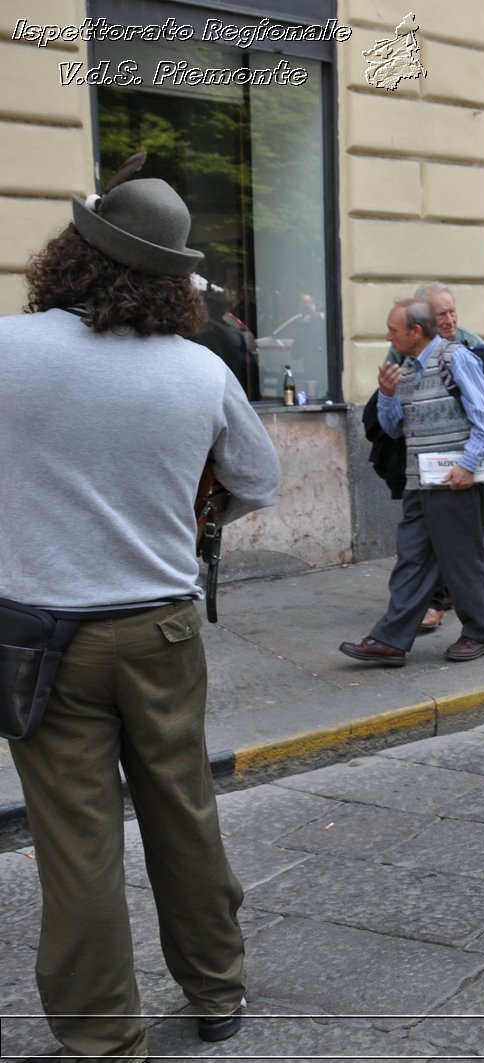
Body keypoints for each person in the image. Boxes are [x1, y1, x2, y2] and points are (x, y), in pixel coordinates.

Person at [1, 174, 280, 1059]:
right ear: (171, 280)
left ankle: (104, 1035)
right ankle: (216, 989)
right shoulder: (198, 369)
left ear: (71, 255)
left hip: (39, 632)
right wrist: (193, 523)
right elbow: (258, 481)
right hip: (160, 624)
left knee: (75, 841)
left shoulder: (7, 349)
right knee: (182, 810)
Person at [338, 298, 484, 667]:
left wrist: (468, 465)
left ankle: (480, 634)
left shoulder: (454, 358)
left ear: (415, 331)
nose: (387, 335)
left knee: (462, 562)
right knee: (410, 559)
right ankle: (390, 641)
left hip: (456, 483)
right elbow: (395, 428)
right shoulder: (405, 370)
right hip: (419, 482)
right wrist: (387, 394)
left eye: (393, 329)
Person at [412, 281, 484, 634]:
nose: (450, 318)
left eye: (453, 310)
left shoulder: (465, 348)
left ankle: (455, 611)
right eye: (441, 313)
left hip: (460, 467)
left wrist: (468, 463)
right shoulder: (406, 350)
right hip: (422, 466)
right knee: (423, 544)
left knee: (460, 550)